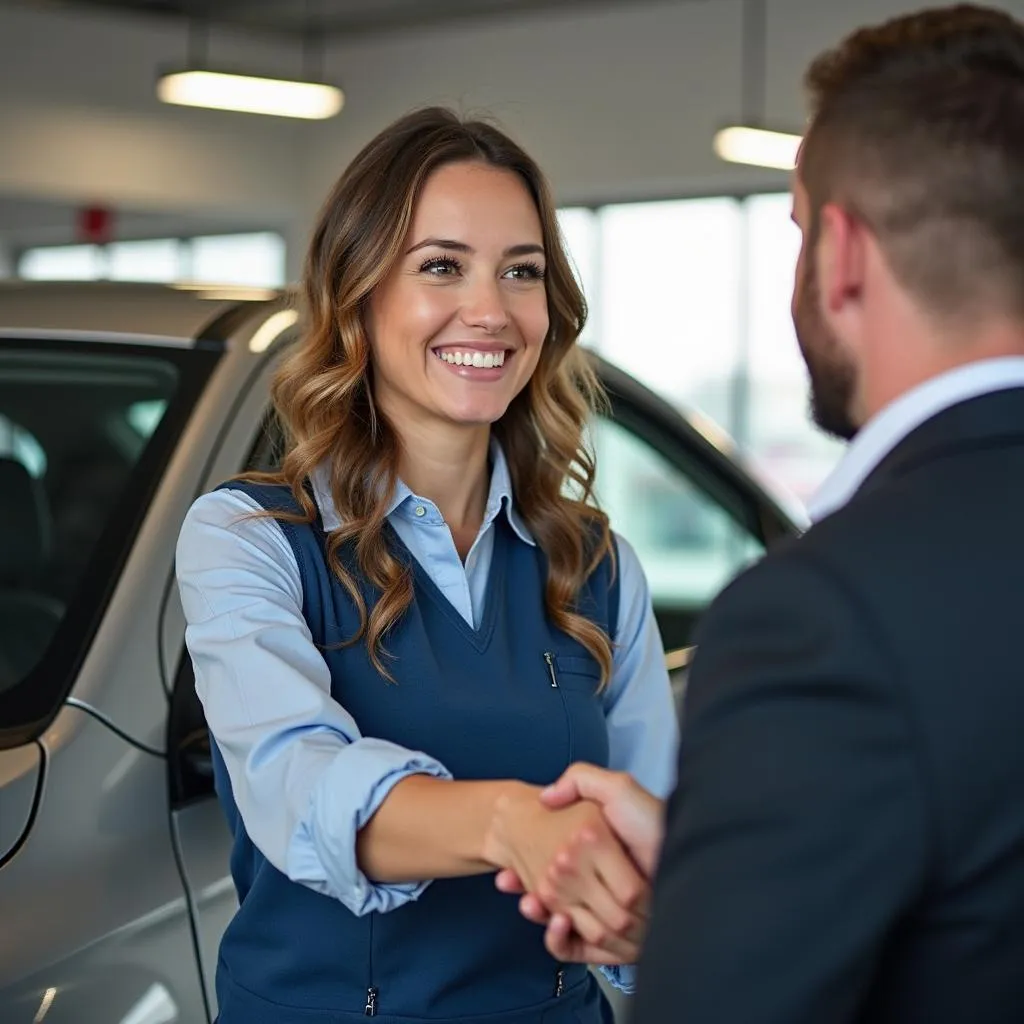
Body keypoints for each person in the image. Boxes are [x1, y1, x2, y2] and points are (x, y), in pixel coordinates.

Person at [501, 5, 1024, 1022]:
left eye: (789, 234)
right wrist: (724, 877)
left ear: (840, 253)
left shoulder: (823, 614)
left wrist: (713, 920)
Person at [174, 106, 677, 1024]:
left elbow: (660, 848)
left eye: (520, 272)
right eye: (441, 265)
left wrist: (658, 921)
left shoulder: (598, 564)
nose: (489, 310)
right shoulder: (247, 539)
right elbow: (299, 784)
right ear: (357, 291)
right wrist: (509, 825)